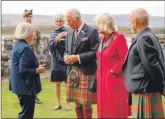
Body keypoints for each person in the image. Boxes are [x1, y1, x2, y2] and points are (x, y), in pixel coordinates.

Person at [122, 8, 165, 118]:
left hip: (145, 91)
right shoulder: (150, 35)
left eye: (130, 21)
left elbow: (153, 66)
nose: (129, 24)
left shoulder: (144, 38)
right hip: (147, 89)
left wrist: (162, 87)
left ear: (135, 22)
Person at [64, 8, 99, 118]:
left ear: (77, 18)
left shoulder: (91, 31)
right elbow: (66, 49)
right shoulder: (69, 32)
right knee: (77, 102)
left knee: (86, 105)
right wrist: (66, 56)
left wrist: (78, 57)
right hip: (72, 72)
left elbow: (95, 52)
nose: (67, 23)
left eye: (69, 20)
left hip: (86, 71)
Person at [94, 13, 131, 118]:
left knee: (114, 110)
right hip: (101, 80)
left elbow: (124, 59)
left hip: (114, 81)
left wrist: (113, 72)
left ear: (106, 24)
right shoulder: (102, 39)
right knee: (103, 109)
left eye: (99, 23)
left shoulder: (119, 38)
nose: (97, 26)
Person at [9, 22, 46, 119]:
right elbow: (23, 70)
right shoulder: (25, 48)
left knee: (25, 112)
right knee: (26, 115)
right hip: (25, 87)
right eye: (32, 33)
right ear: (27, 33)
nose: (33, 35)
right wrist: (38, 70)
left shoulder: (18, 44)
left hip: (19, 85)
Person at [16, 9, 42, 104]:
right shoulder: (21, 28)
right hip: (23, 53)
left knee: (33, 75)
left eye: (30, 16)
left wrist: (38, 50)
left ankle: (34, 95)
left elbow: (38, 39)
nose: (29, 18)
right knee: (23, 75)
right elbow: (16, 40)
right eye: (27, 16)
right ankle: (21, 96)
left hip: (32, 54)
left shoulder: (35, 28)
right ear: (24, 18)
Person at [48, 13, 70, 111]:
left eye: (60, 21)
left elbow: (71, 45)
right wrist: (58, 37)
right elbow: (51, 46)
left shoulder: (68, 31)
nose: (59, 23)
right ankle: (58, 103)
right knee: (57, 83)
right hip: (56, 60)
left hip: (66, 59)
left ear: (63, 22)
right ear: (55, 22)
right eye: (57, 21)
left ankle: (68, 104)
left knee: (67, 82)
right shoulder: (53, 33)